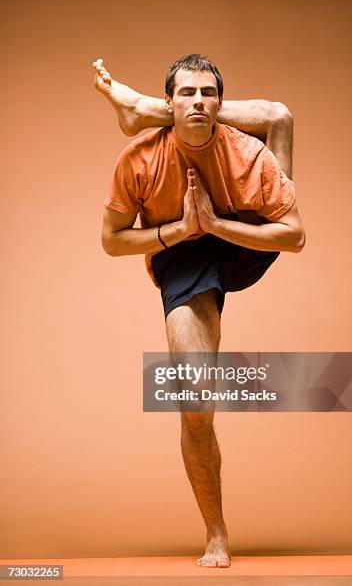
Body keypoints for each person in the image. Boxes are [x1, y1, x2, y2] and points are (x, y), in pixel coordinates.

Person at [93, 54, 306, 568]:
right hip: (183, 254)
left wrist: (213, 224)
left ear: (219, 102)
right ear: (171, 101)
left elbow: (295, 236)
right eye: (186, 93)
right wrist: (180, 231)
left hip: (239, 231)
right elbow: (110, 241)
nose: (199, 102)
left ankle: (138, 105)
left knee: (279, 119)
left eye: (208, 94)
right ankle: (216, 533)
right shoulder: (139, 159)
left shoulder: (246, 152)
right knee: (194, 402)